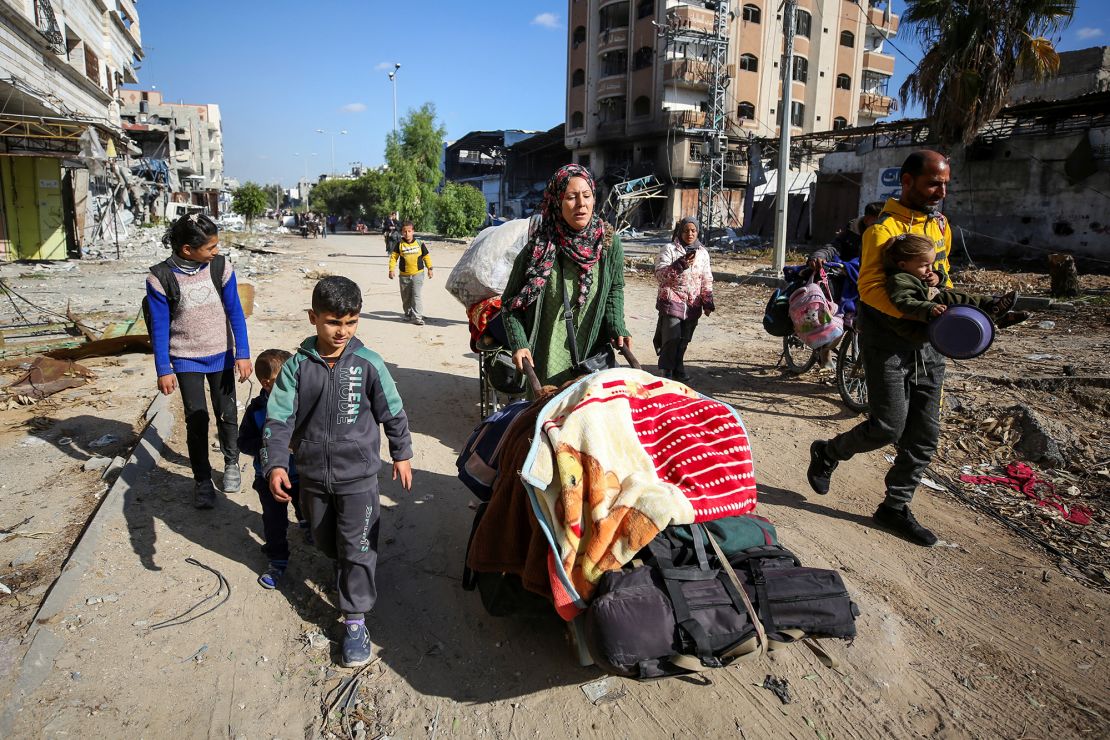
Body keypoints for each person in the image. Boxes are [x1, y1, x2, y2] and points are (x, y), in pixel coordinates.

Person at [806, 150, 956, 547]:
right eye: (932, 184)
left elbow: (945, 276)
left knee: (925, 435)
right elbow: (870, 290)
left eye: (944, 184)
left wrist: (951, 310)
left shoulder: (941, 226)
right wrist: (921, 313)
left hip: (929, 345)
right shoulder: (882, 230)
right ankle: (828, 452)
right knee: (889, 425)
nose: (940, 192)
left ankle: (895, 506)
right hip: (887, 341)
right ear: (907, 182)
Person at [263, 276, 413, 668]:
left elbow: (392, 412)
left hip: (359, 477)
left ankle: (355, 620)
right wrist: (277, 462)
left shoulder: (370, 364)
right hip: (311, 475)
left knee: (358, 547)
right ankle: (342, 568)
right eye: (333, 322)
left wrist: (402, 453)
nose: (342, 331)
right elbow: (278, 420)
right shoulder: (296, 368)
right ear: (313, 318)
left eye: (351, 322)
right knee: (326, 541)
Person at [146, 213, 252, 509]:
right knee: (197, 418)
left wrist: (242, 353)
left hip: (222, 354)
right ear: (187, 250)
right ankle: (202, 480)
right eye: (210, 248)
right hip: (185, 358)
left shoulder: (221, 267)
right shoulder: (160, 278)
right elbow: (159, 327)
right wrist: (163, 369)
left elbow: (236, 314)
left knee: (227, 413)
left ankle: (231, 463)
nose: (215, 251)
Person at [501, 163, 631, 388]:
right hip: (546, 367)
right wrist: (519, 344)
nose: (581, 204)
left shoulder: (608, 244)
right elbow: (510, 306)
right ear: (557, 202)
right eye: (571, 197)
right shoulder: (538, 251)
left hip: (593, 363)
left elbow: (614, 289)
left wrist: (617, 325)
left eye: (587, 195)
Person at [237, 349, 310, 589]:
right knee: (275, 523)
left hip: (300, 474)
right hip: (269, 479)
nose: (294, 383)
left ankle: (306, 526)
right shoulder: (257, 411)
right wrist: (269, 444)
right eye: (286, 378)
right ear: (267, 383)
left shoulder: (300, 404)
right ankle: (277, 561)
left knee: (306, 507)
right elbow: (243, 442)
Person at [879, 233, 1020, 342]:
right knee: (946, 298)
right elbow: (903, 303)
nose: (930, 269)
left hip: (927, 319)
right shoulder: (898, 280)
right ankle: (990, 307)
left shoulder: (917, 274)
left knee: (950, 295)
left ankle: (994, 314)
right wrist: (929, 308)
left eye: (931, 265)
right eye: (924, 266)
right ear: (903, 265)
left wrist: (938, 278)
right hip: (914, 327)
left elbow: (934, 282)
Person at [652, 216, 714, 382]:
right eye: (686, 230)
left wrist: (707, 301)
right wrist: (680, 264)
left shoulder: (703, 253)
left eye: (693, 230)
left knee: (684, 338)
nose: (690, 234)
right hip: (672, 300)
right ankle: (666, 369)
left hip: (693, 303)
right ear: (680, 232)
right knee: (671, 337)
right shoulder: (669, 249)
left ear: (698, 232)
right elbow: (660, 275)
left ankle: (678, 366)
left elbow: (706, 278)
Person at [806, 201, 886, 272]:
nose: (882, 226)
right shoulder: (851, 233)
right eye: (878, 222)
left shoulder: (889, 235)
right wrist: (818, 257)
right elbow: (833, 248)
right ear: (866, 219)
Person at [387, 221, 433, 326]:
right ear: (402, 232)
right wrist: (391, 269)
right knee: (406, 296)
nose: (407, 233)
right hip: (404, 275)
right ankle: (408, 314)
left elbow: (426, 256)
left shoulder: (420, 243)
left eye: (409, 231)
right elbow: (394, 257)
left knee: (416, 295)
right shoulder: (399, 244)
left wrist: (430, 268)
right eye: (405, 231)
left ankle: (417, 317)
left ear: (413, 231)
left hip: (418, 274)